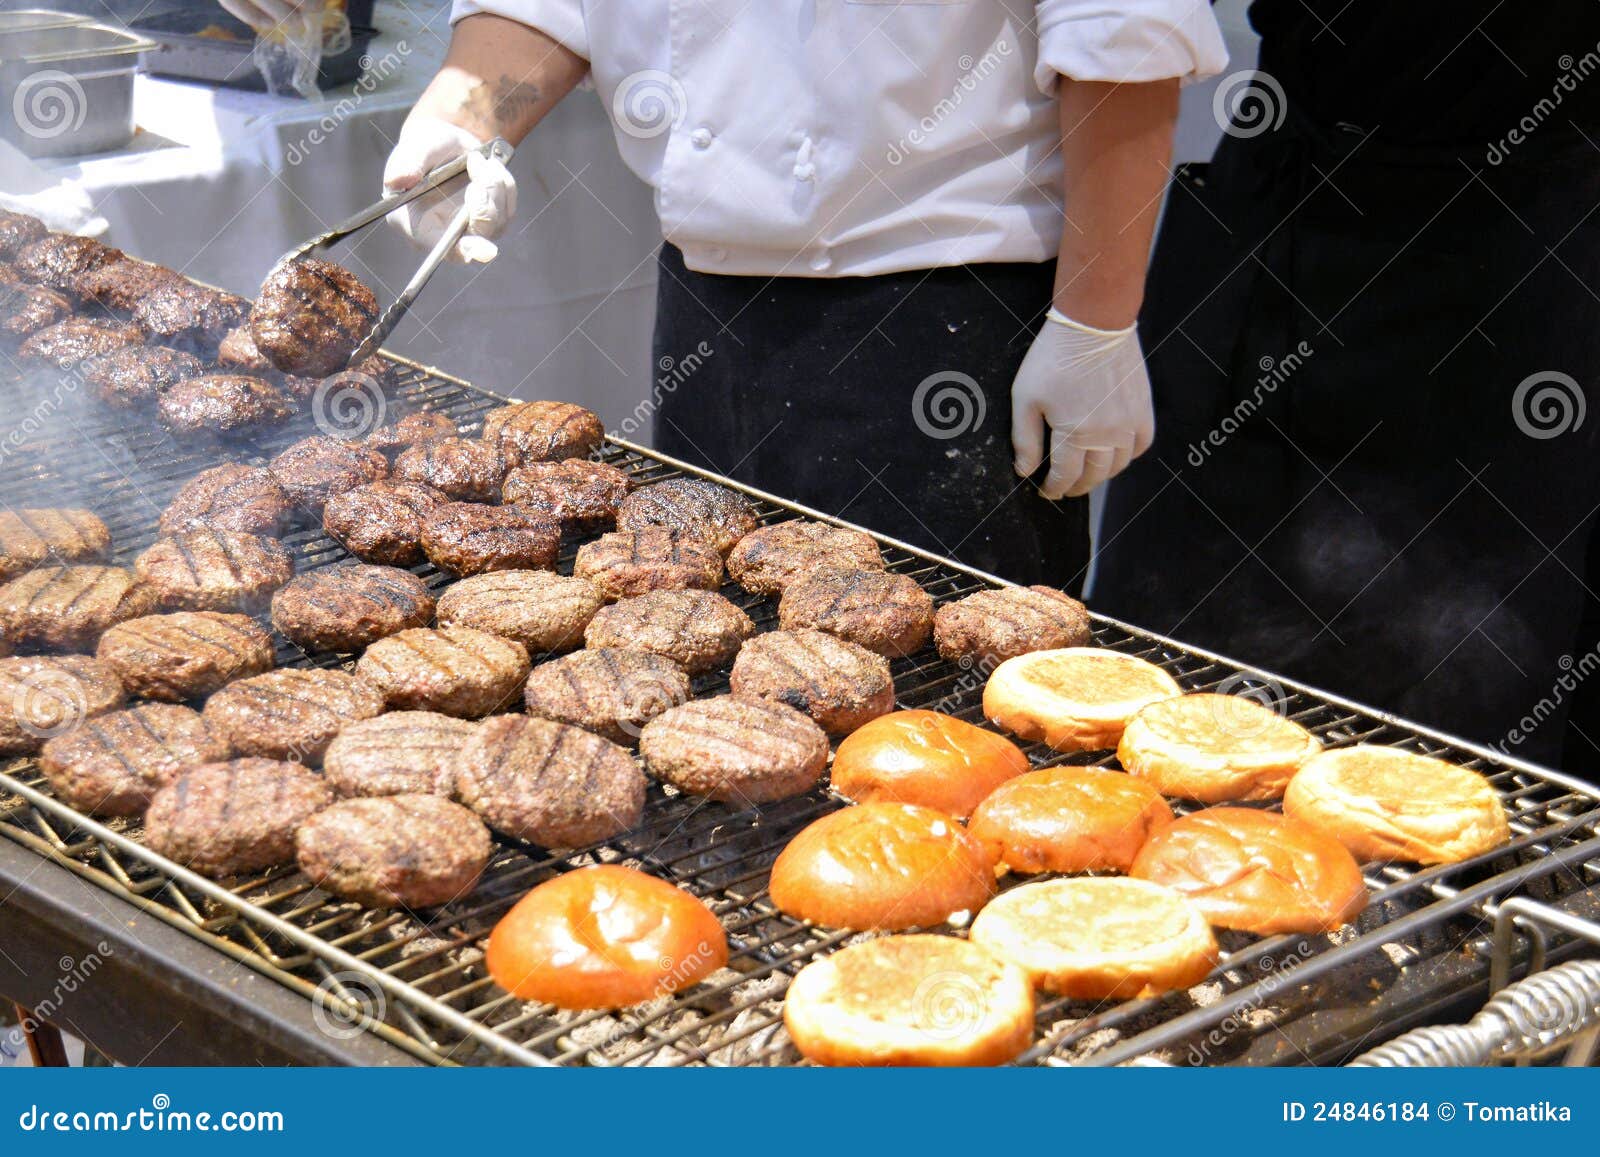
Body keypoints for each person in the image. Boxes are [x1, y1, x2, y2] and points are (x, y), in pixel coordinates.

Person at [224, 0, 1227, 588]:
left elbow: (1122, 40)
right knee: (714, 650)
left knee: (933, 719)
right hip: (708, 313)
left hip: (936, 329)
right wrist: (467, 114)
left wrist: (1094, 321)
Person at [1092, 1, 1600, 774]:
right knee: (1175, 709)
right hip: (1292, 215)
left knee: (1475, 754)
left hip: (1536, 262)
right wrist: (1089, 317)